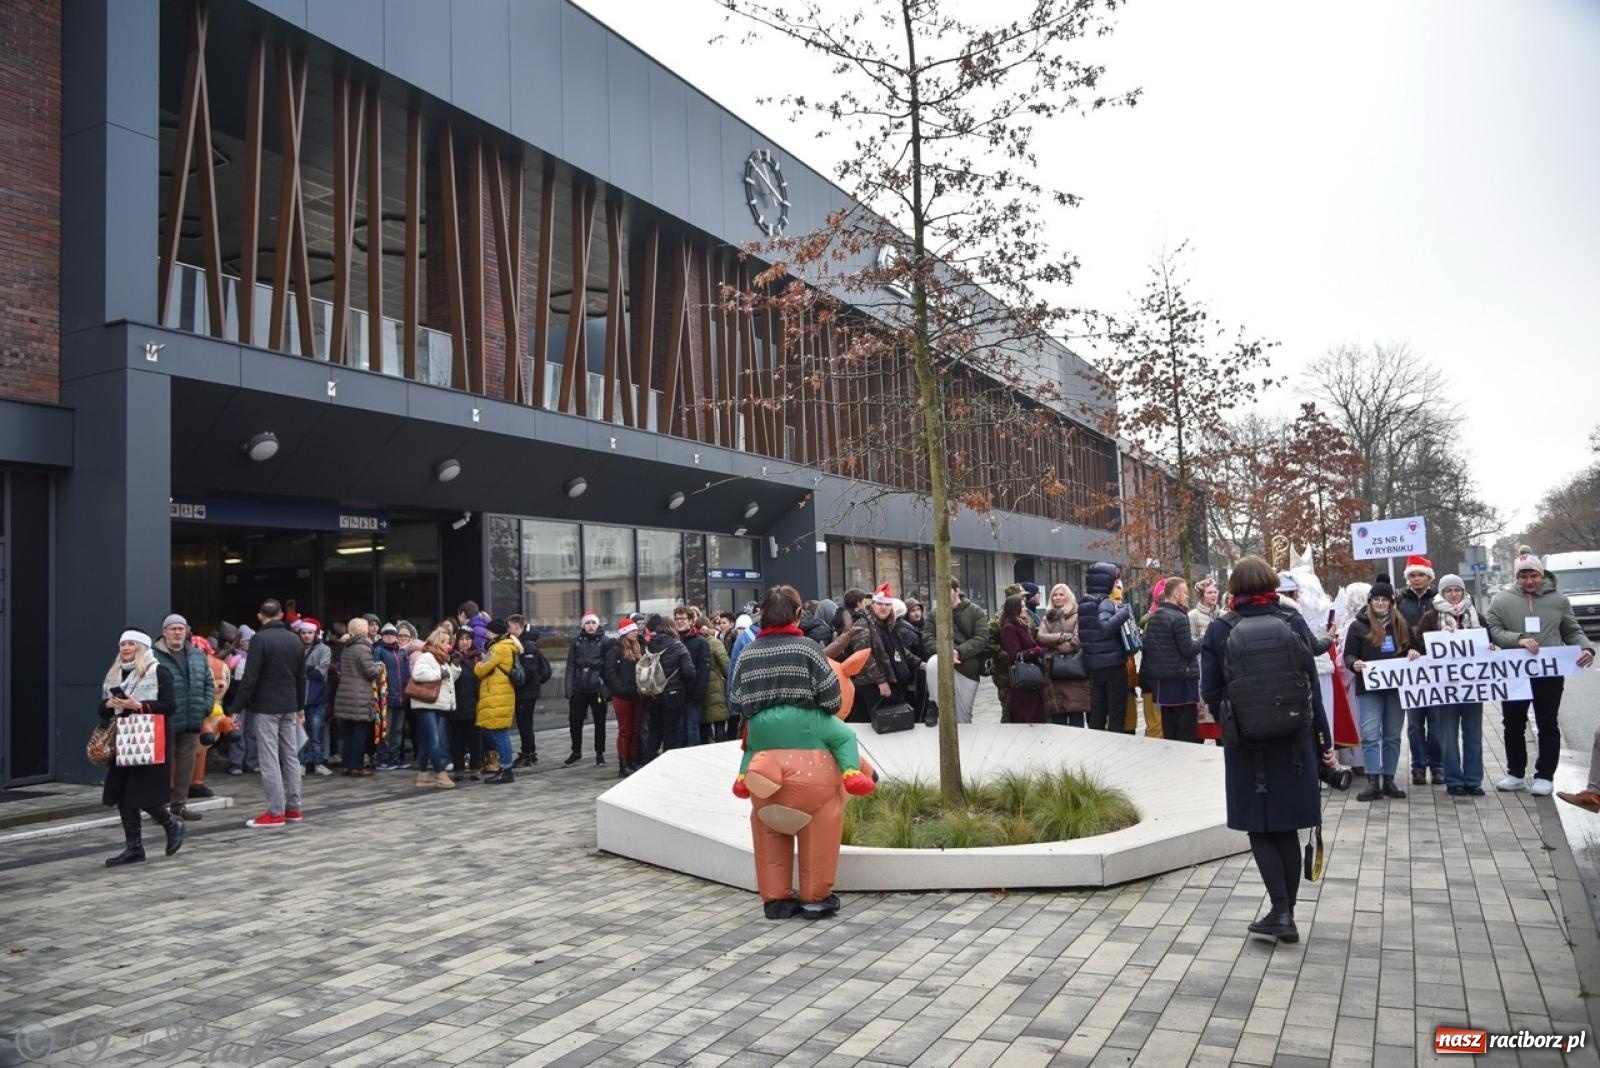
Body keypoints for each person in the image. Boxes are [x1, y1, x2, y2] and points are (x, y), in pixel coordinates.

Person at [1201, 556, 1335, 945]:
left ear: (1233, 589)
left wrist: (1237, 718)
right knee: (1286, 827)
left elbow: (1210, 691)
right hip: (1294, 741)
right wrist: (1323, 743)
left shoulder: (1220, 629)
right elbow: (1311, 688)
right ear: (1271, 584)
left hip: (1247, 745)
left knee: (1259, 827)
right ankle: (1286, 913)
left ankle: (1280, 912)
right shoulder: (1292, 622)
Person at [727, 584, 864, 920]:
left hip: (764, 757)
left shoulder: (748, 653)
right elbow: (832, 699)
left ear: (762, 614)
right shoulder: (807, 650)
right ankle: (816, 897)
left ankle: (776, 899)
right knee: (819, 825)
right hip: (810, 765)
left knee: (768, 831)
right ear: (798, 613)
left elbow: (736, 701)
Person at [1485, 552, 1597, 798]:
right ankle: (1515, 773)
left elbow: (1571, 630)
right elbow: (1493, 630)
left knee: (1547, 721)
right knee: (1512, 722)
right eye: (1523, 576)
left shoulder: (1558, 600)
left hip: (1549, 672)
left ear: (1542, 575)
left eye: (1533, 575)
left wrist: (1586, 648)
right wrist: (1518, 639)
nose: (1529, 581)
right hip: (1515, 671)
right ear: (1517, 577)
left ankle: (1545, 776)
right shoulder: (1502, 600)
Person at [98, 629, 184, 866]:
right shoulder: (114, 675)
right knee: (122, 794)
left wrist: (140, 705)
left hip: (149, 739)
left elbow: (170, 706)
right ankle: (134, 848)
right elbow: (102, 711)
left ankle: (171, 825)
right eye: (123, 644)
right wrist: (108, 704)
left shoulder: (158, 671)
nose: (125, 648)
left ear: (142, 647)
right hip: (123, 740)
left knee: (142, 794)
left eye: (131, 644)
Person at [228, 599, 308, 829]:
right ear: (282, 614)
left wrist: (236, 709)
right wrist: (300, 707)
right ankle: (293, 807)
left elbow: (249, 679)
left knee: (269, 757)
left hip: (266, 706)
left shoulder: (259, 640)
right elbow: (301, 677)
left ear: (260, 616)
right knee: (290, 755)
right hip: (290, 704)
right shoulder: (294, 639)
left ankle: (275, 812)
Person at [1343, 573, 1423, 802]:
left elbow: (1413, 648)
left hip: (1395, 689)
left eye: (1385, 599)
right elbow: (1349, 654)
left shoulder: (1401, 625)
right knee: (1369, 735)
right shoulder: (1358, 626)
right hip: (1369, 689)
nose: (1380, 603)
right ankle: (1372, 781)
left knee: (1392, 735)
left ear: (1391, 602)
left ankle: (1388, 779)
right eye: (1376, 599)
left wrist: (1413, 652)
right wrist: (1353, 663)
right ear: (1370, 602)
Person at [1419, 574, 1486, 797]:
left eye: (1458, 590)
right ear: (1442, 593)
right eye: (1449, 591)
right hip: (1445, 688)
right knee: (1447, 735)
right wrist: (1438, 637)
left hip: (1472, 686)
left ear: (1463, 592)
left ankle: (1474, 780)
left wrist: (1493, 646)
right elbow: (1418, 643)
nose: (1454, 594)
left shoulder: (1477, 615)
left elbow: (1489, 639)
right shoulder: (1430, 617)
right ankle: (1454, 780)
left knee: (1473, 734)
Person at [151, 614, 213, 822]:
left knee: (186, 765)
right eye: (172, 628)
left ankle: (179, 805)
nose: (177, 632)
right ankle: (158, 806)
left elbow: (208, 683)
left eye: (181, 628)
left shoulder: (197, 654)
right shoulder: (153, 655)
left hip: (192, 717)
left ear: (186, 630)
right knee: (161, 765)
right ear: (164, 631)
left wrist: (206, 706)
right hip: (165, 719)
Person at [828, 584, 919, 723]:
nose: (883, 607)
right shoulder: (863, 624)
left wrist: (919, 662)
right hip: (872, 687)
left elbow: (900, 650)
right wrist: (881, 681)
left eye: (887, 604)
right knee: (875, 725)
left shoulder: (888, 624)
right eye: (880, 603)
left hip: (891, 684)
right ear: (873, 604)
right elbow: (864, 657)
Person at [1395, 555, 1442, 785]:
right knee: (1414, 724)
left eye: (1420, 574)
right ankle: (1418, 766)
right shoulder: (1400, 601)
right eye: (1412, 575)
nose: (1416, 579)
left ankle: (1437, 765)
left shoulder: (1439, 600)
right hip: (1410, 668)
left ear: (1429, 577)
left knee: (1436, 721)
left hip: (1435, 668)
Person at [1141, 578, 1202, 743]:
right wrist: (1203, 640)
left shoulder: (1153, 618)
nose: (1187, 597)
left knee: (1169, 732)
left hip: (1163, 685)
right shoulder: (1179, 618)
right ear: (1176, 594)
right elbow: (1188, 649)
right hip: (1182, 683)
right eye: (1185, 594)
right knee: (1186, 733)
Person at [923, 579, 989, 725]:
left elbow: (982, 637)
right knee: (933, 662)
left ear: (957, 590)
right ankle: (933, 703)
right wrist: (946, 653)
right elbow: (928, 638)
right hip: (943, 662)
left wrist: (958, 653)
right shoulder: (934, 614)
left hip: (967, 668)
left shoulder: (975, 612)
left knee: (963, 719)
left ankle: (966, 746)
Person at [1077, 563, 1132, 732]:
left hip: (1093, 666)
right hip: (1113, 666)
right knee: (1116, 714)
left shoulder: (1084, 603)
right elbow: (1106, 626)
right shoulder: (1106, 603)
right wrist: (1125, 612)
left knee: (1097, 713)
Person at [405, 625, 458, 789]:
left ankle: (423, 774)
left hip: (436, 704)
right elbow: (417, 674)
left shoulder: (442, 658)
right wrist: (438, 674)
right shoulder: (427, 656)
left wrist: (455, 667)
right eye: (445, 642)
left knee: (427, 740)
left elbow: (448, 681)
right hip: (425, 703)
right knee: (434, 740)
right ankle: (441, 773)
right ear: (438, 642)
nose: (448, 645)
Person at [640, 614, 696, 763]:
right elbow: (689, 671)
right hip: (673, 694)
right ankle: (668, 763)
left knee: (654, 730)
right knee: (671, 731)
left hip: (652, 694)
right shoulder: (678, 646)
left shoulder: (649, 645)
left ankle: (647, 761)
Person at [332, 617, 384, 777]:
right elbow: (369, 671)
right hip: (359, 694)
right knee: (359, 732)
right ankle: (357, 766)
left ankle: (347, 764)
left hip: (345, 693)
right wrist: (379, 666)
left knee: (349, 732)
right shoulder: (363, 648)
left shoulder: (347, 647)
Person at [474, 619, 523, 784]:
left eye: (488, 631)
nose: (486, 633)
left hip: (498, 695)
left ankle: (506, 770)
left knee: (500, 734)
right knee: (500, 733)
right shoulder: (506, 646)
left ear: (494, 632)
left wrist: (480, 662)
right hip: (501, 695)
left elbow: (480, 669)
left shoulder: (498, 648)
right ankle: (505, 769)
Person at [1037, 583, 1089, 727]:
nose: (1058, 597)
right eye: (1055, 594)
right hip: (1053, 670)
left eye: (1061, 594)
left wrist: (1058, 646)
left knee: (1076, 713)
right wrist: (1061, 636)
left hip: (1074, 668)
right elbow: (1041, 637)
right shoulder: (1046, 618)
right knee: (1058, 714)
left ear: (1068, 596)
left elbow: (1077, 639)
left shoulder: (1077, 615)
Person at [564, 612, 609, 766]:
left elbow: (609, 667)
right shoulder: (576, 641)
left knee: (600, 722)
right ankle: (576, 751)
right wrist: (569, 688)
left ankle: (600, 753)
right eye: (587, 623)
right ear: (583, 625)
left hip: (597, 688)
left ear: (598, 624)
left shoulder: (605, 641)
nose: (590, 626)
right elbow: (570, 666)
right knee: (575, 722)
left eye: (593, 623)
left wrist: (607, 689)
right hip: (579, 687)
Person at [604, 618, 645, 777]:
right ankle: (623, 763)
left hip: (637, 694)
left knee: (635, 730)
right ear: (625, 633)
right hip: (622, 696)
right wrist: (622, 690)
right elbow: (611, 673)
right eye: (632, 630)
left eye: (635, 630)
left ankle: (632, 760)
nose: (636, 632)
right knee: (625, 730)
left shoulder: (638, 647)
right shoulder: (614, 650)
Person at [998, 595, 1049, 724]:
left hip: (1030, 680)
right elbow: (1015, 654)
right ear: (1014, 609)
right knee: (1027, 716)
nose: (1025, 609)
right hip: (1023, 680)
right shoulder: (1009, 628)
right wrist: (1037, 651)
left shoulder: (1022, 625)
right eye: (1022, 606)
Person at [294, 619, 332, 776]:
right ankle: (302, 762)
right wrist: (309, 669)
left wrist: (304, 670)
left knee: (316, 732)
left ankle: (318, 762)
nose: (306, 636)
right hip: (298, 698)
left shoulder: (324, 649)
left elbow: (320, 673)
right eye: (303, 633)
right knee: (301, 733)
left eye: (309, 632)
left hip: (317, 696)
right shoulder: (294, 648)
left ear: (315, 633)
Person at [507, 615, 545, 767]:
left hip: (527, 691)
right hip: (527, 690)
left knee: (525, 723)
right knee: (525, 723)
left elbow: (529, 672)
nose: (508, 630)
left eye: (509, 627)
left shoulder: (527, 645)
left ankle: (527, 754)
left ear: (517, 626)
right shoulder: (523, 642)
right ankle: (530, 753)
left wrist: (516, 680)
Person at [372, 623, 411, 771]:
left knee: (398, 730)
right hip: (385, 698)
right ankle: (383, 758)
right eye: (387, 634)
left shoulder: (401, 652)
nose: (390, 637)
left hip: (401, 697)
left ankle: (395, 758)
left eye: (392, 634)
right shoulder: (379, 650)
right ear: (382, 636)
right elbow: (375, 673)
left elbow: (407, 674)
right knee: (385, 731)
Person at [674, 606, 712, 749]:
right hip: (676, 694)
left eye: (682, 619)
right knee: (678, 733)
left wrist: (699, 694)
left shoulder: (700, 641)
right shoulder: (673, 640)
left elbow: (704, 669)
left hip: (692, 695)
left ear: (690, 621)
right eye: (677, 619)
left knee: (692, 732)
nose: (679, 622)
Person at [447, 629, 483, 780]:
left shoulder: (478, 657)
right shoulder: (452, 657)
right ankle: (459, 769)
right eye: (461, 639)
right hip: (457, 704)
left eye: (468, 639)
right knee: (457, 739)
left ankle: (476, 767)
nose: (464, 642)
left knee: (475, 738)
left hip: (475, 702)